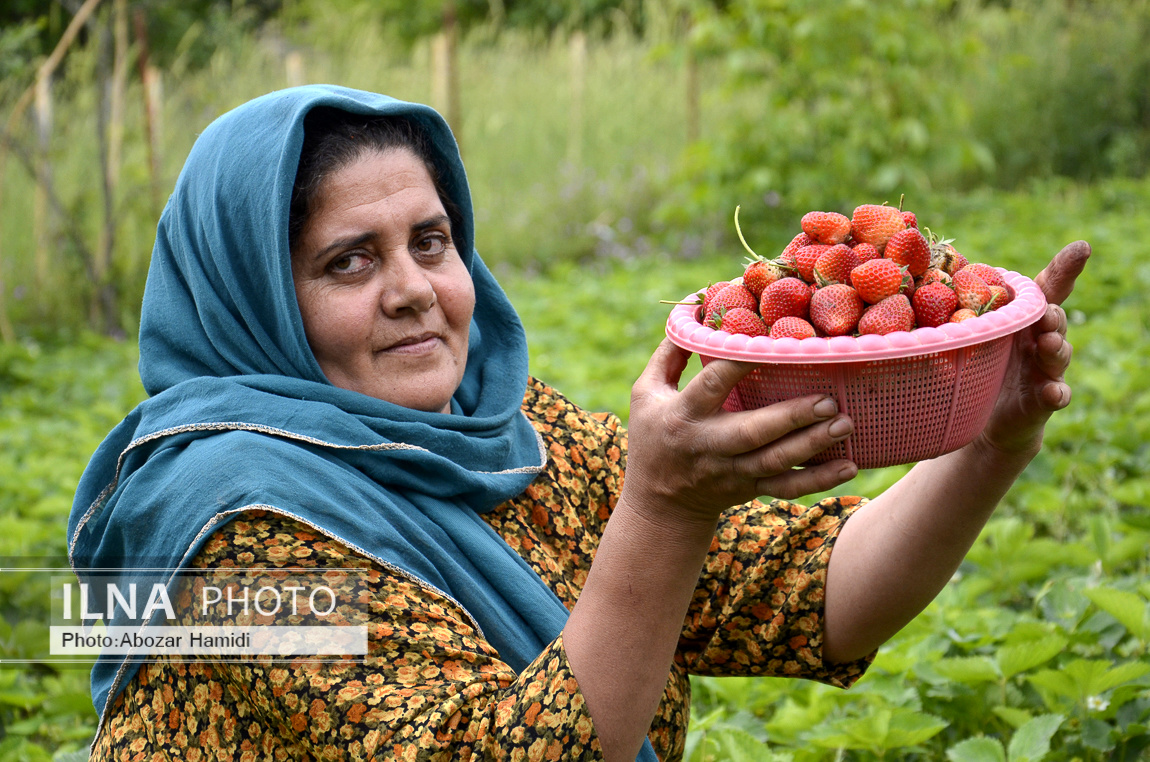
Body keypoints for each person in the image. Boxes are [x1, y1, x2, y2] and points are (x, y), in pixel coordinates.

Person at [68, 84, 1089, 762]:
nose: (415, 290)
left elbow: (819, 597)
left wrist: (989, 442)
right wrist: (662, 511)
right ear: (250, 296)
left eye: (431, 241)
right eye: (349, 260)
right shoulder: (225, 541)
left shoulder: (505, 435)